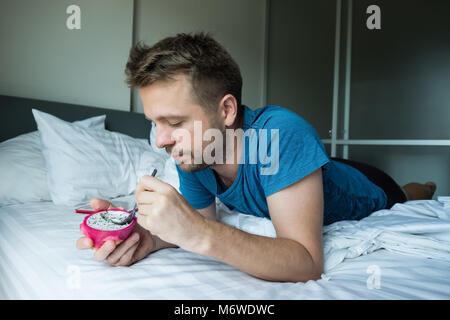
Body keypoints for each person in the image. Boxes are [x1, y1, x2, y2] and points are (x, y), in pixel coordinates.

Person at [77, 33, 437, 282]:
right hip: (315, 175)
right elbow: (195, 223)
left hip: (365, 185)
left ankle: (424, 186)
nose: (161, 140)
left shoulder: (281, 134)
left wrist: (201, 232)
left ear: (227, 110)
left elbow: (306, 263)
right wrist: (146, 237)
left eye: (174, 122)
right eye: (155, 123)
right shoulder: (194, 156)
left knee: (406, 195)